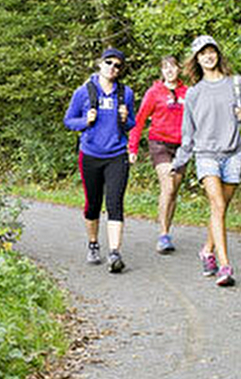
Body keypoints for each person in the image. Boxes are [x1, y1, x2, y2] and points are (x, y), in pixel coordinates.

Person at [169, 35, 241, 287]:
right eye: (202, 53)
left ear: (218, 54)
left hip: (233, 154)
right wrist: (180, 162)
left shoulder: (236, 84)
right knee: (217, 204)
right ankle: (225, 266)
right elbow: (188, 133)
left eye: (211, 51)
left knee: (220, 209)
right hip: (206, 155)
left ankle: (207, 250)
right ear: (196, 60)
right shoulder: (194, 94)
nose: (208, 56)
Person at [63, 48, 137, 273]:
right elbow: (69, 121)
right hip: (91, 154)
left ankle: (114, 253)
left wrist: (126, 120)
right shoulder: (83, 92)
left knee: (115, 203)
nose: (112, 68)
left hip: (117, 154)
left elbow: (131, 123)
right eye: (109, 63)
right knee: (93, 204)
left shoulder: (126, 93)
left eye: (117, 65)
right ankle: (93, 244)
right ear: (99, 63)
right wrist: (85, 121)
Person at [128, 55, 187, 254]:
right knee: (168, 187)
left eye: (173, 67)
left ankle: (167, 231)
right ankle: (162, 235)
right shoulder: (154, 92)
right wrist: (133, 148)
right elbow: (140, 119)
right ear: (161, 71)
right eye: (165, 68)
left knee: (174, 192)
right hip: (159, 144)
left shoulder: (187, 92)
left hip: (181, 147)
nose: (169, 70)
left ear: (179, 69)